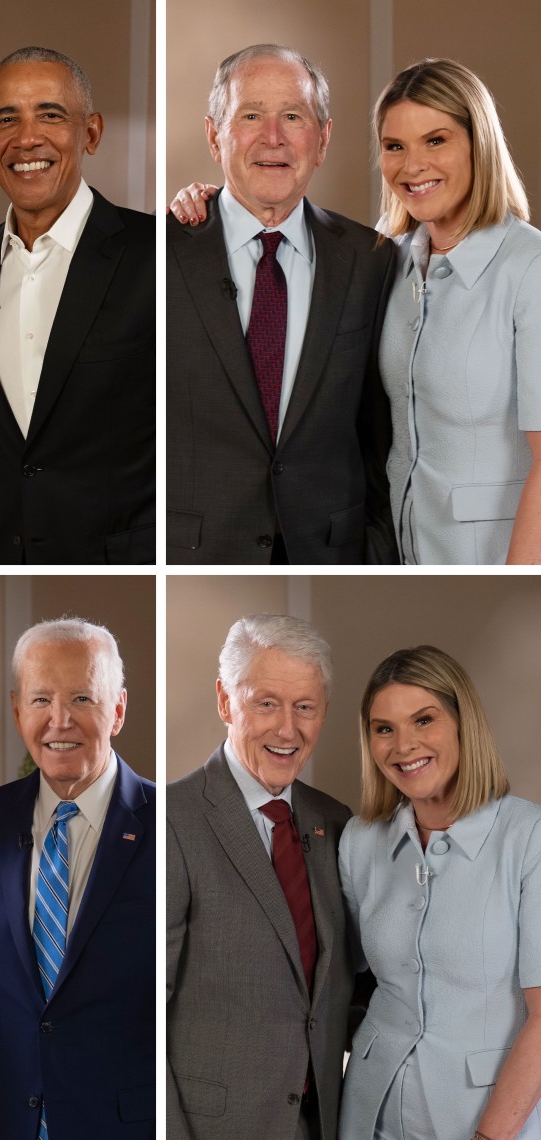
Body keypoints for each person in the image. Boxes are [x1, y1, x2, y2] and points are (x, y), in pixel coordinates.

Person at [166, 43, 396, 565]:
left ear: (323, 139)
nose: (273, 137)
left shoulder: (373, 260)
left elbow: (385, 435)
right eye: (251, 115)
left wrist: (375, 551)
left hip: (335, 554)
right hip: (191, 556)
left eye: (293, 116)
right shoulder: (157, 256)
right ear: (214, 135)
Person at [0, 618, 155, 1139]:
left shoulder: (168, 824)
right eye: (40, 701)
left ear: (118, 709)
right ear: (17, 710)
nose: (60, 721)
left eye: (83, 698)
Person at [0, 47, 155, 566]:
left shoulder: (156, 253)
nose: (27, 138)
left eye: (50, 114)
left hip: (116, 565)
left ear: (91, 133)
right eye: (6, 119)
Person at [167, 614, 358, 1140]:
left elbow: (354, 984)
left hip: (322, 1123)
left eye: (305, 708)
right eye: (266, 703)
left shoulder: (337, 823)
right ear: (226, 701)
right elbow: (140, 1014)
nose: (287, 729)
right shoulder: (170, 822)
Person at [339, 645, 541, 1139]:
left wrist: (490, 1136)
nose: (403, 745)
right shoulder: (359, 841)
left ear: (461, 722)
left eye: (423, 720)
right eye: (383, 728)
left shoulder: (528, 837)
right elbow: (340, 978)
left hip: (487, 1118)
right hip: (370, 1111)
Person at [372, 58, 541, 564]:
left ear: (479, 145)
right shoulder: (389, 260)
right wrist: (207, 207)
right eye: (394, 146)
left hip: (493, 558)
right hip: (401, 555)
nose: (412, 165)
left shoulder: (529, 268)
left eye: (436, 140)